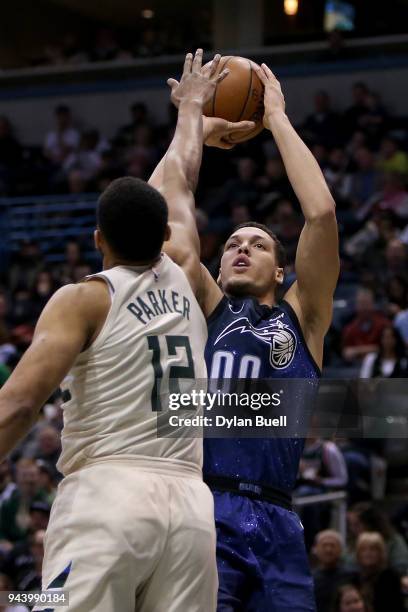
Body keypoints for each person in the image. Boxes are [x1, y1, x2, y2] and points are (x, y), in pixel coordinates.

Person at [0, 51, 235, 612]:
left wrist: (193, 108)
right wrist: (193, 111)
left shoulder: (84, 299)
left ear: (98, 236)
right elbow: (179, 174)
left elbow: (21, 402)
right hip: (190, 508)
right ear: (163, 233)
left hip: (108, 494)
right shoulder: (186, 266)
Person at [156, 59, 339, 610]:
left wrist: (276, 116)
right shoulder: (208, 308)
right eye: (233, 243)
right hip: (207, 510)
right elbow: (162, 215)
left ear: (281, 272)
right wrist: (192, 127)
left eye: (257, 245)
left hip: (281, 518)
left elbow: (323, 213)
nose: (241, 248)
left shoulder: (304, 317)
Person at [353, 532, 405, 612]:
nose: (368, 553)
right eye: (363, 549)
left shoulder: (390, 577)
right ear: (358, 553)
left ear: (381, 553)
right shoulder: (354, 577)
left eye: (373, 549)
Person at [312, 530, 353, 612]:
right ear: (315, 549)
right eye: (324, 545)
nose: (328, 550)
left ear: (341, 550)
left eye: (332, 545)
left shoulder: (352, 576)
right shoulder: (309, 578)